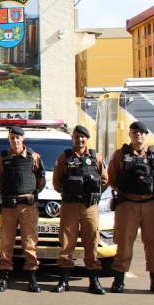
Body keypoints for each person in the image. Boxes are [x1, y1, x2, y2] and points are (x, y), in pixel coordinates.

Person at [107, 121, 154, 295]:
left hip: (150, 204)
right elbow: (112, 179)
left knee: (153, 242)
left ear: (146, 135)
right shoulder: (120, 155)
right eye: (135, 131)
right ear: (129, 134)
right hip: (127, 204)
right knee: (124, 242)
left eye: (142, 132)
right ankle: (119, 279)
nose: (138, 134)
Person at [52, 125, 108, 294]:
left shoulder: (95, 157)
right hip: (70, 205)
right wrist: (69, 193)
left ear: (87, 139)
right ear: (73, 138)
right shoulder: (64, 158)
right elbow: (57, 182)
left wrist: (93, 195)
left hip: (89, 206)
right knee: (67, 242)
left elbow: (104, 180)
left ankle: (94, 281)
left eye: (83, 137)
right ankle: (64, 280)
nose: (80, 139)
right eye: (77, 136)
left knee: (91, 242)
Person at [0, 125, 46, 292]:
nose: (15, 140)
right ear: (9, 139)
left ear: (23, 138)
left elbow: (40, 181)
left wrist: (29, 193)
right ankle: (4, 278)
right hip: (9, 206)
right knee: (6, 243)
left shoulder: (34, 157)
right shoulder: (2, 158)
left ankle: (32, 277)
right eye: (12, 137)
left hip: (28, 206)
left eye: (18, 137)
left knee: (29, 243)